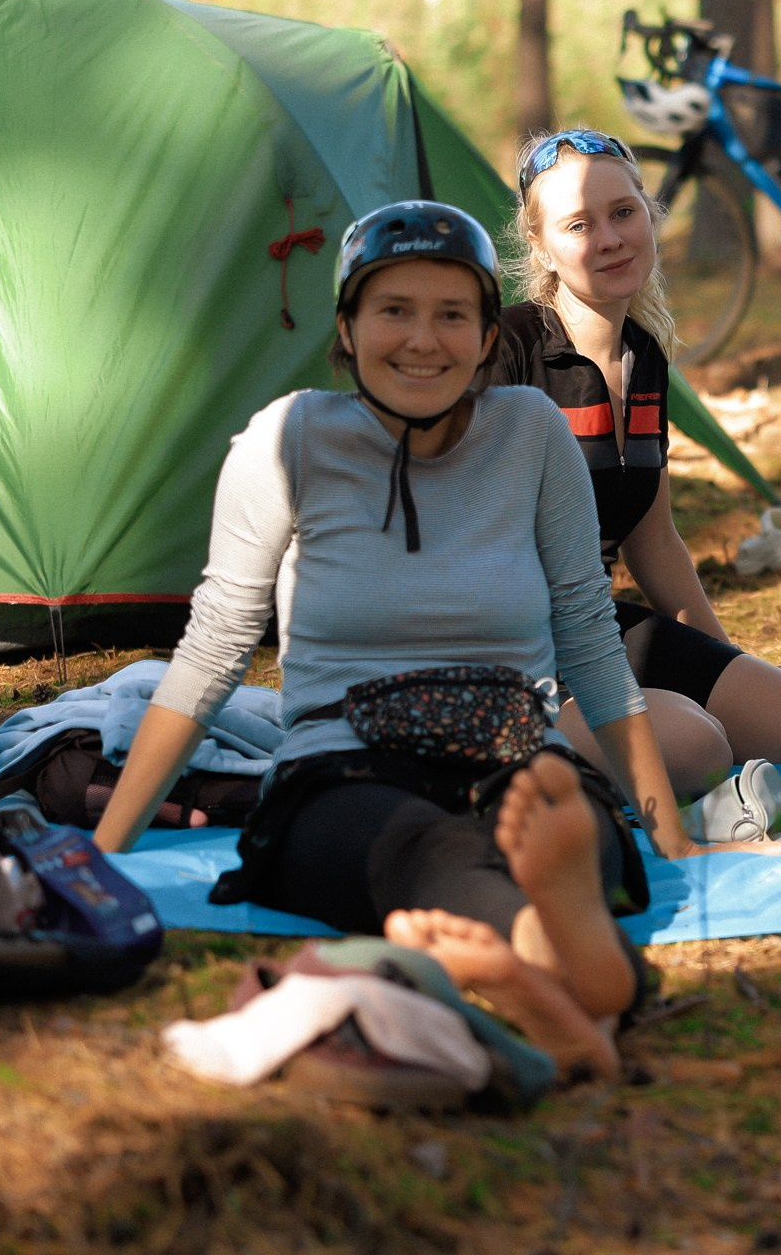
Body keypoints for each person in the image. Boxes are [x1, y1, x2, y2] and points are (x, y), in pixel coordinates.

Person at [93, 200, 743, 1080]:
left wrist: (666, 833)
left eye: (452, 315)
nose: (422, 340)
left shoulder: (530, 433)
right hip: (343, 768)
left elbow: (588, 633)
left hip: (514, 746)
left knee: (554, 816)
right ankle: (564, 960)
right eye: (394, 310)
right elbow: (213, 651)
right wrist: (106, 851)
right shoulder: (287, 439)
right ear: (348, 328)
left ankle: (527, 960)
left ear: (485, 338)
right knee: (425, 847)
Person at [496, 128, 781, 800]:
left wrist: (730, 660)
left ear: (650, 214)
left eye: (623, 212)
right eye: (579, 224)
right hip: (502, 648)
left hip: (596, 630)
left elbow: (655, 541)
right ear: (541, 245)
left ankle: (598, 735)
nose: (609, 238)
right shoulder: (508, 351)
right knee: (697, 746)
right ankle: (503, 752)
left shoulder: (644, 358)